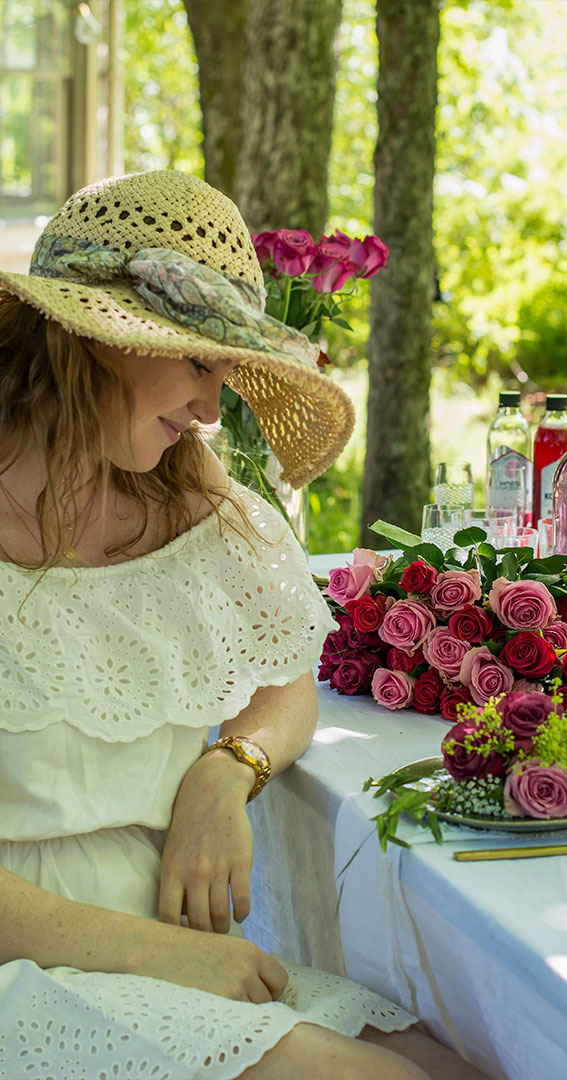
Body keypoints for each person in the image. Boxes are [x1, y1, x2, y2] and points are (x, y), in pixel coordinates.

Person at [0, 170, 484, 1080]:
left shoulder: (190, 492)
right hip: (34, 968)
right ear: (92, 338)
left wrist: (226, 773)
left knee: (465, 1063)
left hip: (166, 949)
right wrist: (176, 958)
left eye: (227, 372)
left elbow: (284, 682)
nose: (213, 411)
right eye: (197, 363)